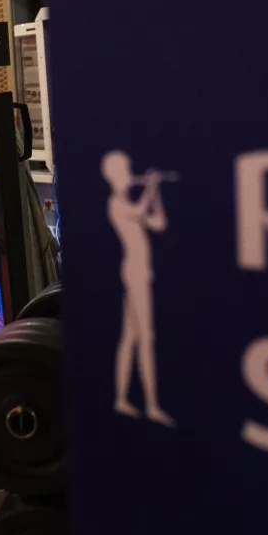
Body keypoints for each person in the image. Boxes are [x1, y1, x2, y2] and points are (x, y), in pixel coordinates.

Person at [104, 150, 176, 428]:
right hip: (134, 273)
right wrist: (151, 187)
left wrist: (155, 193)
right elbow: (139, 211)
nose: (128, 175)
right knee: (145, 338)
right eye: (124, 171)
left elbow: (159, 222)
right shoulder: (116, 203)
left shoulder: (126, 202)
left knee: (130, 338)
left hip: (140, 273)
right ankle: (152, 405)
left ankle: (123, 399)